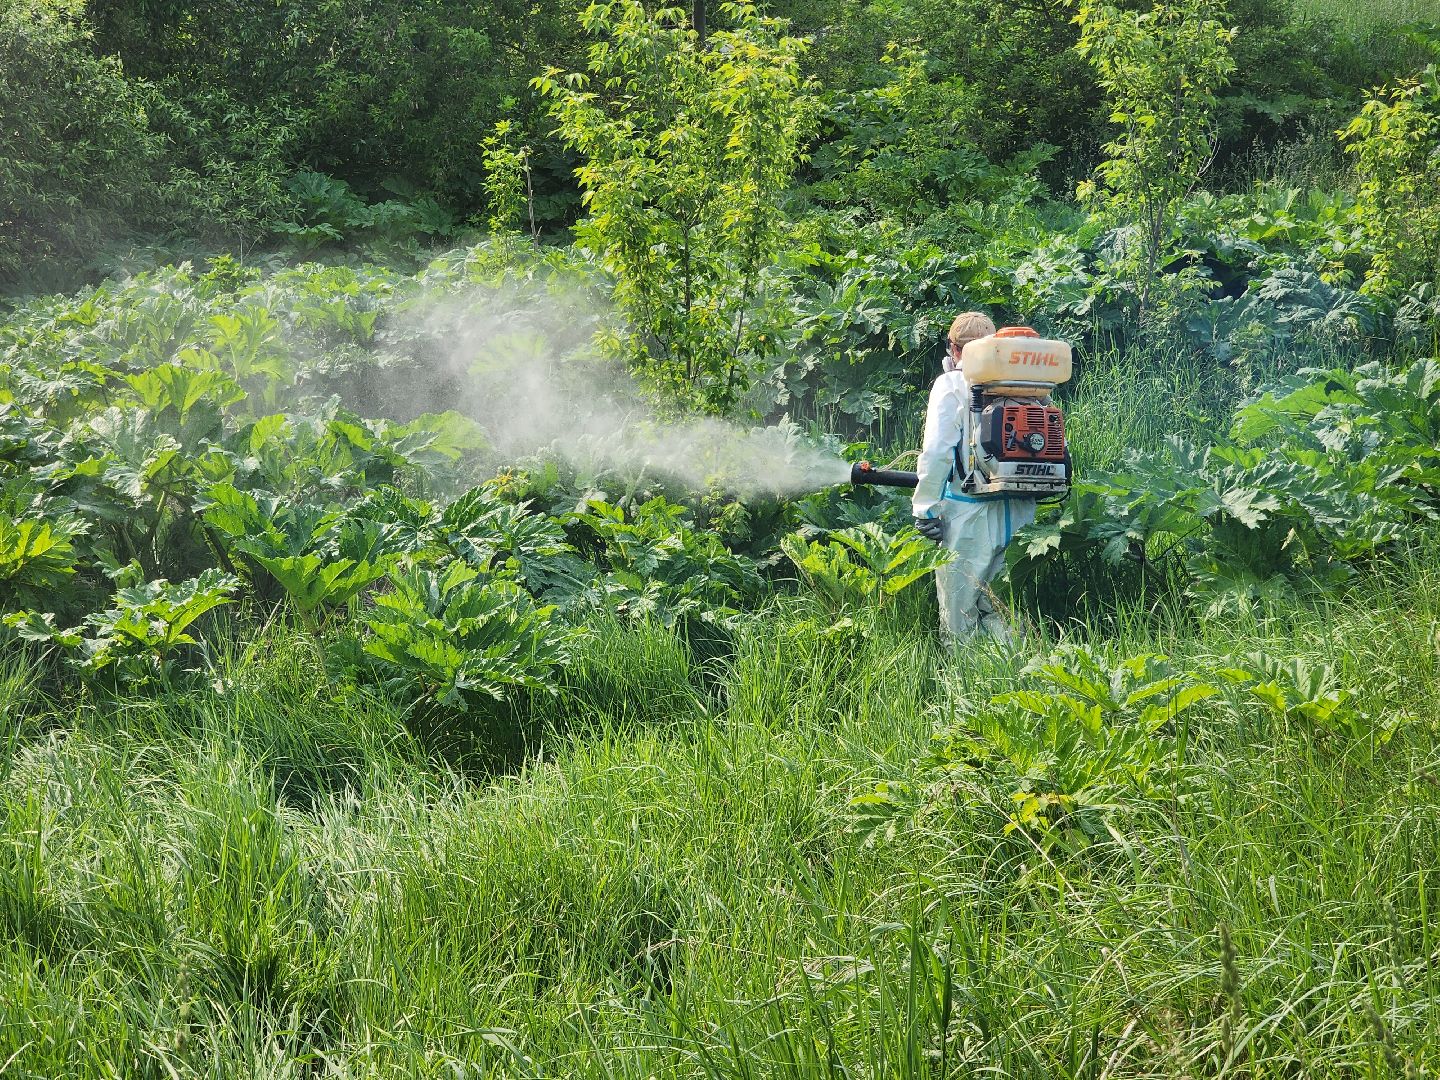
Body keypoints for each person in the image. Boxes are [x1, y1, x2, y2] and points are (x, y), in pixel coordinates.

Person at [912, 312, 1039, 640]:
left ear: (954, 349)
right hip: (1023, 511)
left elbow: (938, 451)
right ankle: (1014, 679)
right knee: (1004, 606)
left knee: (960, 610)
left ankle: (965, 683)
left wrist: (925, 508)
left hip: (969, 514)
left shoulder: (952, 384)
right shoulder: (1030, 384)